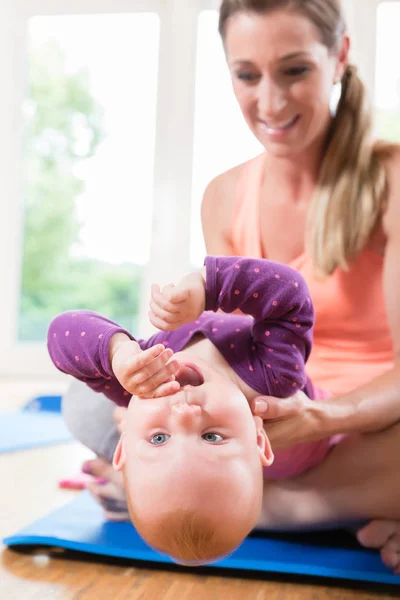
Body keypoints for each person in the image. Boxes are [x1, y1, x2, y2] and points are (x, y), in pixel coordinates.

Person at [199, 0, 400, 573]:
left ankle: (263, 509)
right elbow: (226, 347)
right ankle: (354, 512)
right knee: (91, 405)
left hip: (368, 425)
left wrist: (321, 419)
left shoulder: (391, 179)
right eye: (247, 75)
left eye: (294, 70)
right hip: (277, 430)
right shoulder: (222, 196)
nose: (271, 102)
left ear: (338, 56)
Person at [49, 255, 336, 564]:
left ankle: (126, 488)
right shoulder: (275, 375)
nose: (184, 413)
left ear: (124, 443)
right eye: (212, 437)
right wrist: (207, 286)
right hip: (321, 448)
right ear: (258, 436)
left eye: (159, 438)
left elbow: (59, 334)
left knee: (79, 399)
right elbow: (289, 293)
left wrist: (117, 352)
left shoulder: (135, 384)